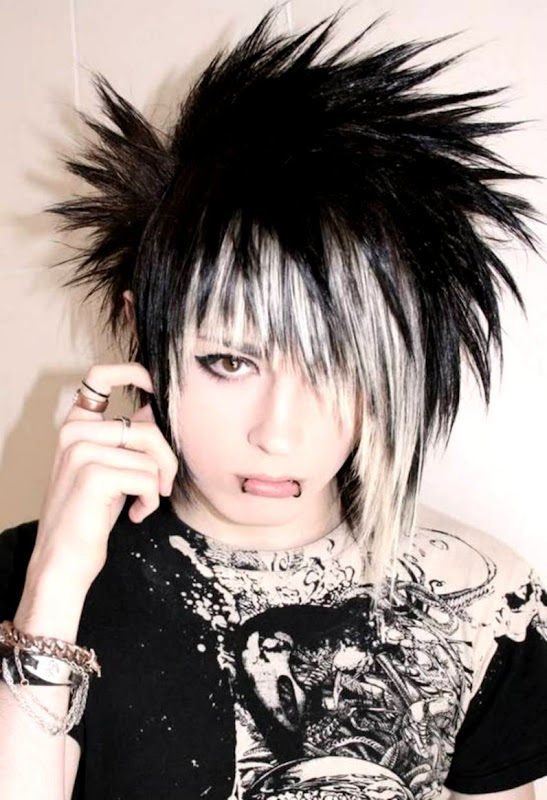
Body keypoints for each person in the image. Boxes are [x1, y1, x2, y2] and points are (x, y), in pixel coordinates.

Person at [0, 9, 546, 799]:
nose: (277, 435)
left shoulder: (487, 597)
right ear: (142, 331)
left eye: (337, 368)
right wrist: (54, 585)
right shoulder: (27, 582)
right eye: (229, 362)